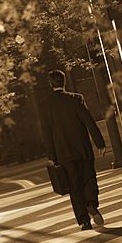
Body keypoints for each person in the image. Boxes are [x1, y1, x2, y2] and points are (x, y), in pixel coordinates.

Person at [40, 69, 107, 230]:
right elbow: (88, 121)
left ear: (50, 84)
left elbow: (47, 132)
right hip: (82, 148)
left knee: (74, 186)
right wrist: (100, 143)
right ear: (65, 82)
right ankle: (91, 203)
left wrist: (51, 155)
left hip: (63, 153)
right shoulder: (76, 99)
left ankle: (84, 221)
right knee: (89, 178)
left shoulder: (46, 106)